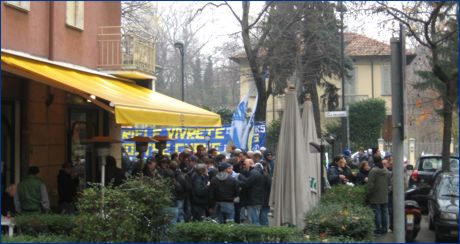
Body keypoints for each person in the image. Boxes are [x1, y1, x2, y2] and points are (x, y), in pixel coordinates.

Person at [238, 159, 266, 225]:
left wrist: (239, 179)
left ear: (250, 164)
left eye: (245, 164)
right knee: (255, 219)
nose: (243, 166)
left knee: (254, 220)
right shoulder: (256, 172)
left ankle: (256, 234)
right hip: (256, 199)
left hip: (253, 200)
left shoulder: (254, 173)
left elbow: (247, 184)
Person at [367, 157, 389, 235]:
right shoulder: (386, 170)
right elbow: (388, 183)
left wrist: (369, 193)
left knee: (377, 212)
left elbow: (370, 185)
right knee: (384, 211)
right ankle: (385, 228)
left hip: (375, 194)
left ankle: (378, 228)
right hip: (385, 194)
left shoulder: (373, 171)